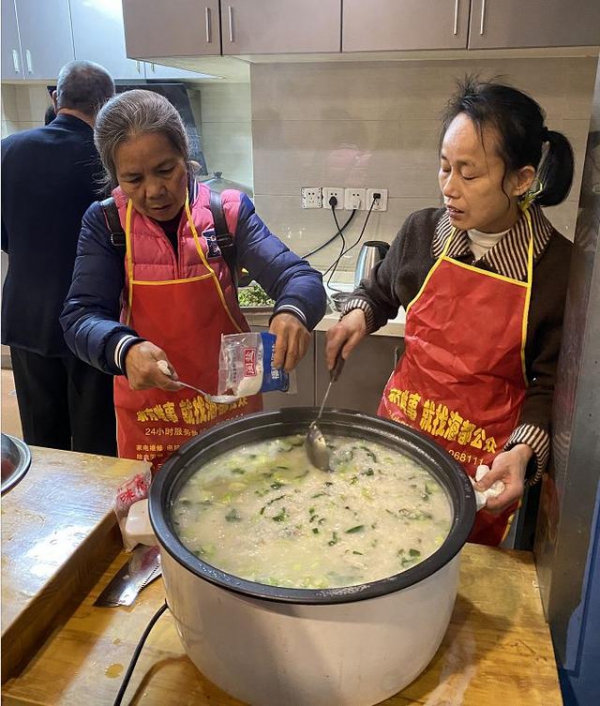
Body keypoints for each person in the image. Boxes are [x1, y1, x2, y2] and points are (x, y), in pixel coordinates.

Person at [325, 77, 574, 546]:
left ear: (521, 179)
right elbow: (380, 292)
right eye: (444, 168)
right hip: (398, 441)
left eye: (470, 173)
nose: (449, 188)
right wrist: (358, 314)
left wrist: (522, 452)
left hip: (477, 471)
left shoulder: (557, 268)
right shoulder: (422, 231)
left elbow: (551, 383)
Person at [61, 89, 326, 470]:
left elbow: (298, 277)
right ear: (115, 176)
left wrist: (293, 312)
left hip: (228, 412)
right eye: (133, 179)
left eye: (166, 170)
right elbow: (80, 315)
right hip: (152, 422)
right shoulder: (106, 223)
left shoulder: (226, 215)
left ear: (186, 157)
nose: (154, 191)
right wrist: (124, 349)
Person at [1, 61, 117, 455]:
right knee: (95, 444)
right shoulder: (108, 158)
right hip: (93, 321)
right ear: (107, 105)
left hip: (26, 316)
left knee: (42, 444)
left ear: (56, 98)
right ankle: (100, 516)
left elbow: (5, 236)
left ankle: (49, 516)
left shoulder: (7, 150)